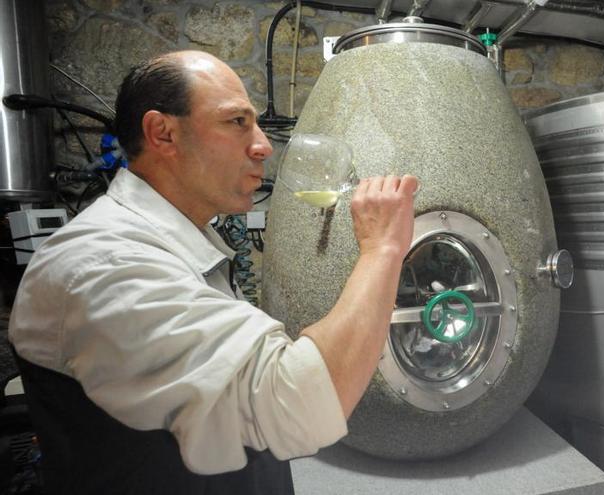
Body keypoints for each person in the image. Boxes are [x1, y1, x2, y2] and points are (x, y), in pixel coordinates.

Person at [8, 50, 418, 494]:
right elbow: (299, 404)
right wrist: (382, 248)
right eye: (236, 122)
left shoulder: (179, 242)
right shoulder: (104, 264)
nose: (263, 145)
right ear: (163, 133)